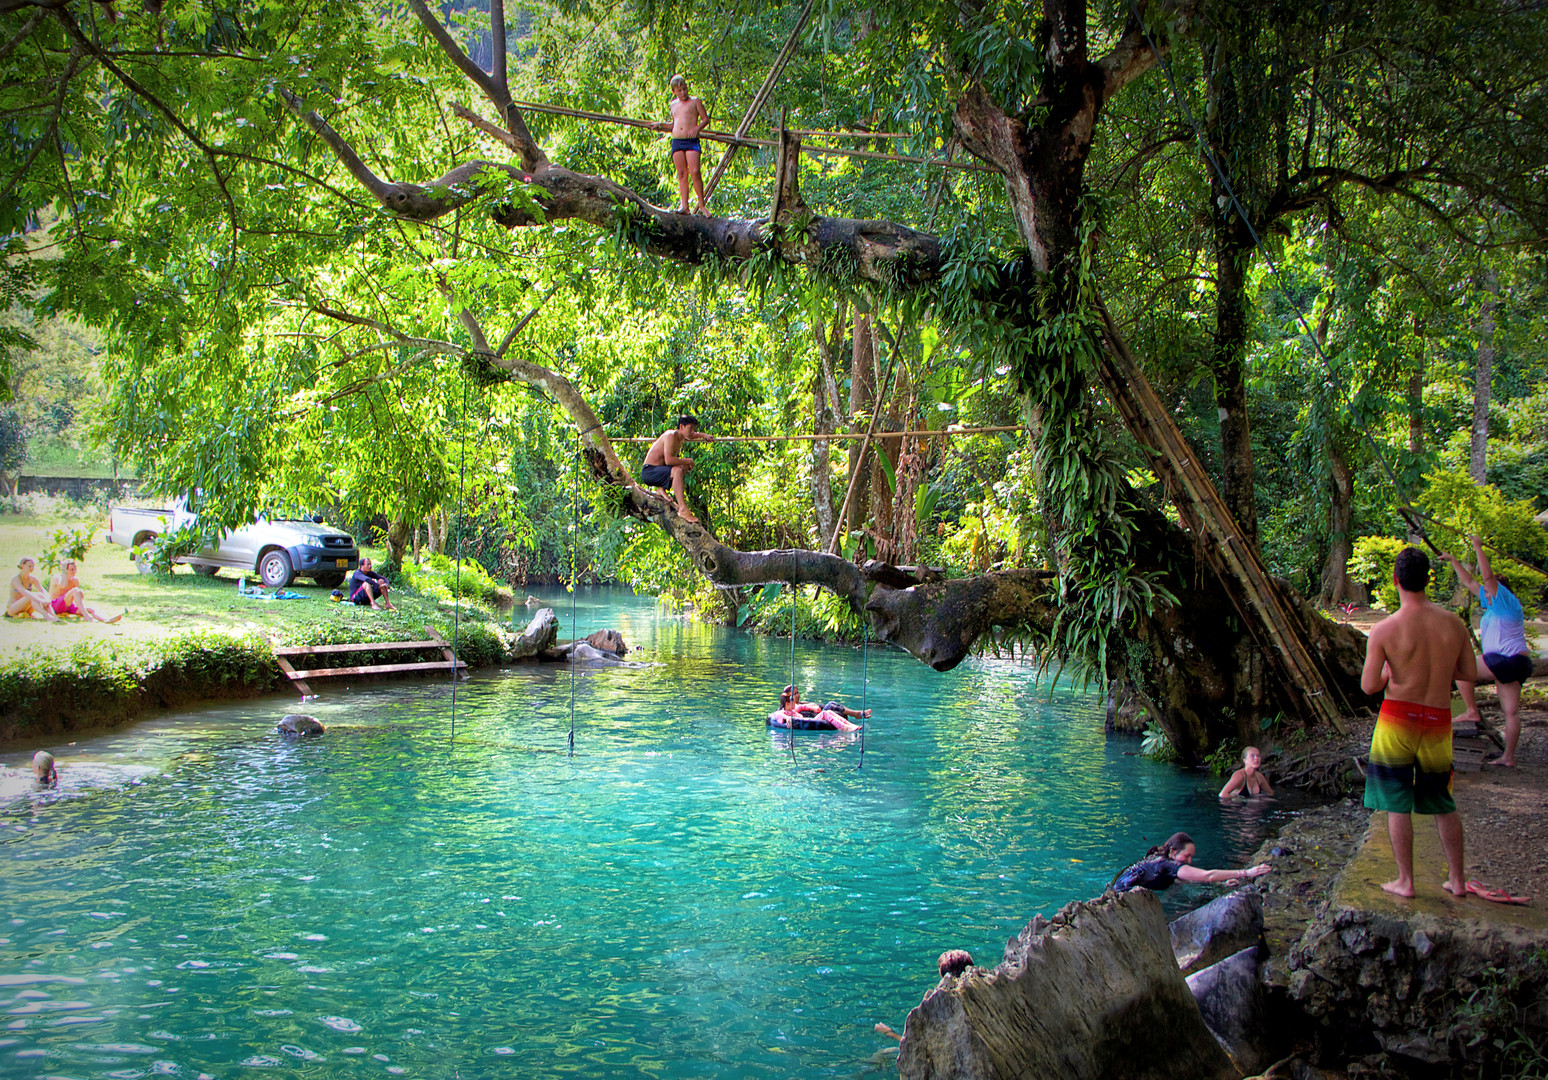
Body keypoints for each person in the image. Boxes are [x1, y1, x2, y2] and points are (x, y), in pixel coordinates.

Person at [1362, 546, 1475, 900]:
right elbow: (1470, 673)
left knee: (1397, 800)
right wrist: (1439, 668)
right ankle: (1457, 881)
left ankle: (1406, 882)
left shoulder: (1385, 630)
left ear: (1395, 580)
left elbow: (1369, 686)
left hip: (1398, 718)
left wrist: (1387, 673)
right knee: (1442, 800)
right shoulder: (1453, 624)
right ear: (1428, 579)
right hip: (1438, 717)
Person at [1444, 534, 1534, 768]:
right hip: (1515, 663)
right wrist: (1454, 561)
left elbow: (1487, 577)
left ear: (1499, 590)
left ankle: (1472, 711)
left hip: (1504, 660)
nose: (1484, 592)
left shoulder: (1507, 601)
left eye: (1489, 590)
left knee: (1459, 668)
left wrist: (1477, 547)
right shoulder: (1493, 606)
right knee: (1511, 711)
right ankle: (1508, 757)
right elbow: (1471, 583)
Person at [1112, 832, 1271, 893]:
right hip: (1122, 892)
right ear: (1173, 851)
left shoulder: (1161, 862)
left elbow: (1185, 880)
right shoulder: (1166, 864)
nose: (1189, 861)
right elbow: (1208, 875)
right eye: (1187, 856)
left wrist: (1220, 885)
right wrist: (1246, 873)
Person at [874, 951, 974, 1043]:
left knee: (884, 1052)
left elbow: (916, 1045)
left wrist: (889, 1033)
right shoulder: (975, 998)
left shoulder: (942, 1006)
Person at [641, 414, 713, 523]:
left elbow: (692, 435)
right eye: (690, 428)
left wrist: (704, 435)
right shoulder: (671, 435)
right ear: (681, 427)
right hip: (649, 471)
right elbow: (668, 460)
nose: (692, 431)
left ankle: (661, 490)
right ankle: (683, 509)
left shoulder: (681, 437)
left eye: (694, 428)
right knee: (677, 470)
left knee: (682, 467)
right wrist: (688, 460)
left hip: (659, 470)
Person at [653, 74, 709, 215]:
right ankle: (685, 206)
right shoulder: (673, 104)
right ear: (674, 92)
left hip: (691, 141)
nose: (683, 92)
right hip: (677, 140)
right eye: (679, 90)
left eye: (684, 89)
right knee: (682, 173)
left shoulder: (695, 101)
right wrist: (661, 125)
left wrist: (697, 128)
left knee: (695, 172)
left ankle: (702, 206)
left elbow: (705, 119)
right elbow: (674, 124)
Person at [48, 559, 123, 623]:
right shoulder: (57, 577)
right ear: (65, 570)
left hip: (68, 606)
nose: (74, 571)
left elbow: (79, 597)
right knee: (75, 590)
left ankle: (106, 619)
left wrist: (80, 596)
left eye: (75, 569)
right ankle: (86, 616)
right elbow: (63, 585)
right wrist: (64, 572)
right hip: (55, 606)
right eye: (71, 569)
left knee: (91, 608)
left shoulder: (75, 580)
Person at [780, 684, 870, 720]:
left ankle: (855, 714)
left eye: (798, 693)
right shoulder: (790, 708)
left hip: (819, 714)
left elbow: (819, 706)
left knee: (834, 705)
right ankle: (856, 714)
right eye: (794, 694)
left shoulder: (802, 703)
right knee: (830, 704)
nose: (797, 695)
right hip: (816, 718)